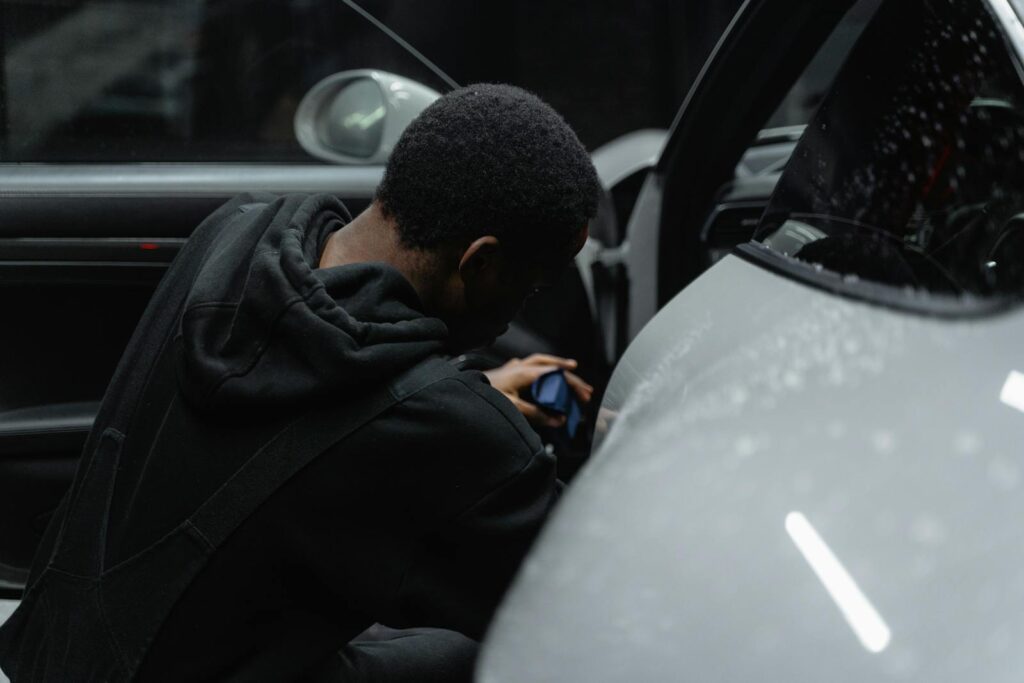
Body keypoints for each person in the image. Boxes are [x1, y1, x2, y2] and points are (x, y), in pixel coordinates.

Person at [0, 84, 601, 682]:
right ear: (481, 264)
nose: (516, 311)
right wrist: (475, 420)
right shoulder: (452, 435)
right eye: (528, 288)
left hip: (57, 658)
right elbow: (589, 607)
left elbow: (298, 420)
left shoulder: (233, 235)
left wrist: (474, 395)